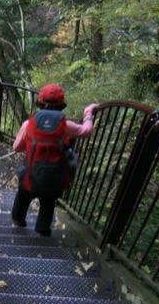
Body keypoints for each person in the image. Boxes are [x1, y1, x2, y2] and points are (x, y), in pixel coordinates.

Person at [11, 84, 98, 236]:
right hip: (54, 178)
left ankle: (18, 220)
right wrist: (88, 111)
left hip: (31, 177)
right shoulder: (66, 126)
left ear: (41, 102)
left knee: (23, 195)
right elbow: (87, 130)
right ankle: (42, 229)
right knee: (48, 202)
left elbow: (17, 147)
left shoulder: (28, 124)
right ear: (61, 105)